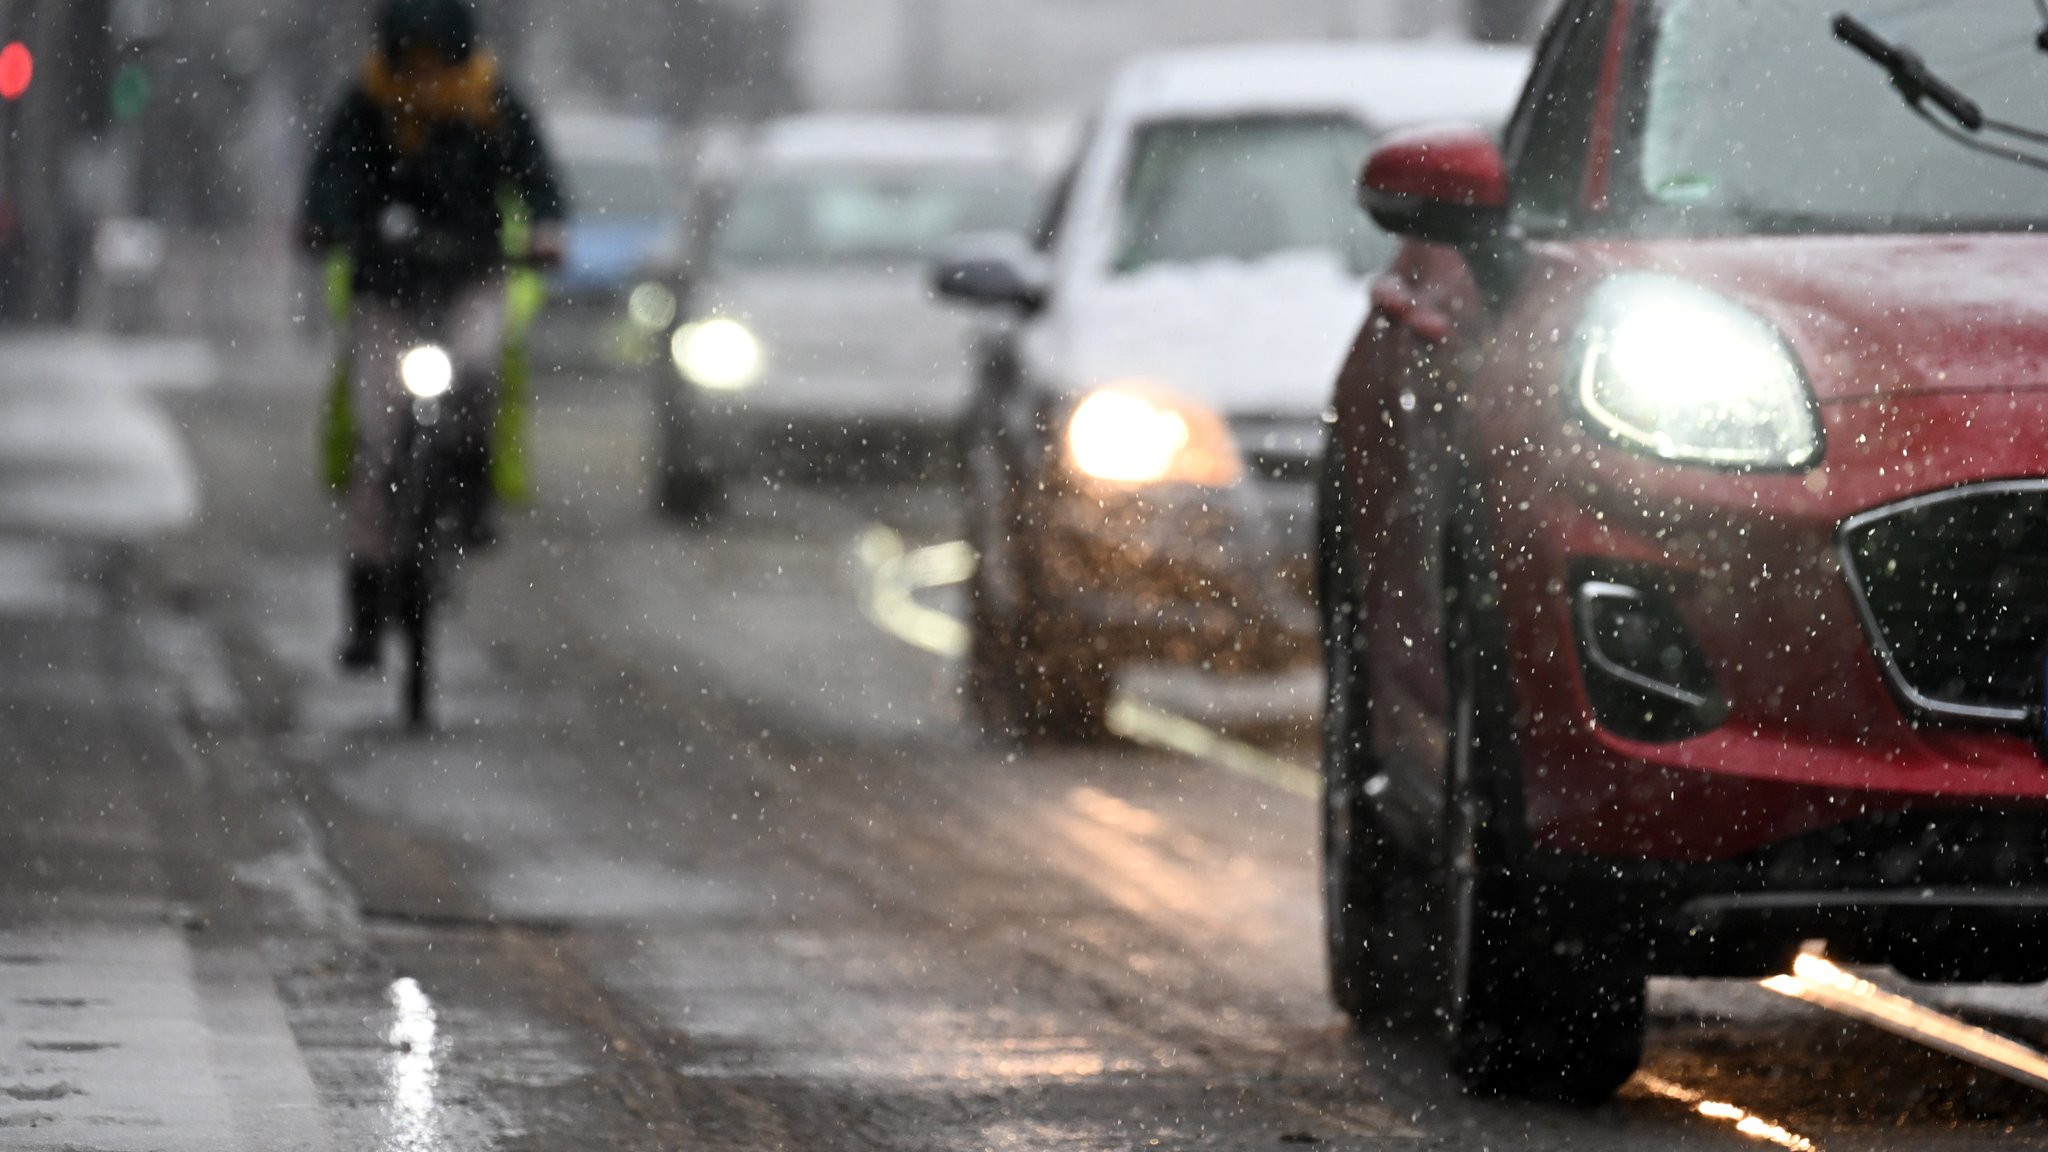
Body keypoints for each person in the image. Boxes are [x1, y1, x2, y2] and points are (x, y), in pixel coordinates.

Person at [300, 0, 565, 672]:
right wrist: (326, 222)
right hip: (386, 291)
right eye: (410, 54)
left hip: (473, 277)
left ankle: (471, 490)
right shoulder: (367, 104)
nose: (421, 70)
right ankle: (364, 608)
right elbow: (331, 178)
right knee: (379, 444)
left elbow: (537, 177)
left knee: (478, 371)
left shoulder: (491, 101)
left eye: (433, 54)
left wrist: (544, 228)